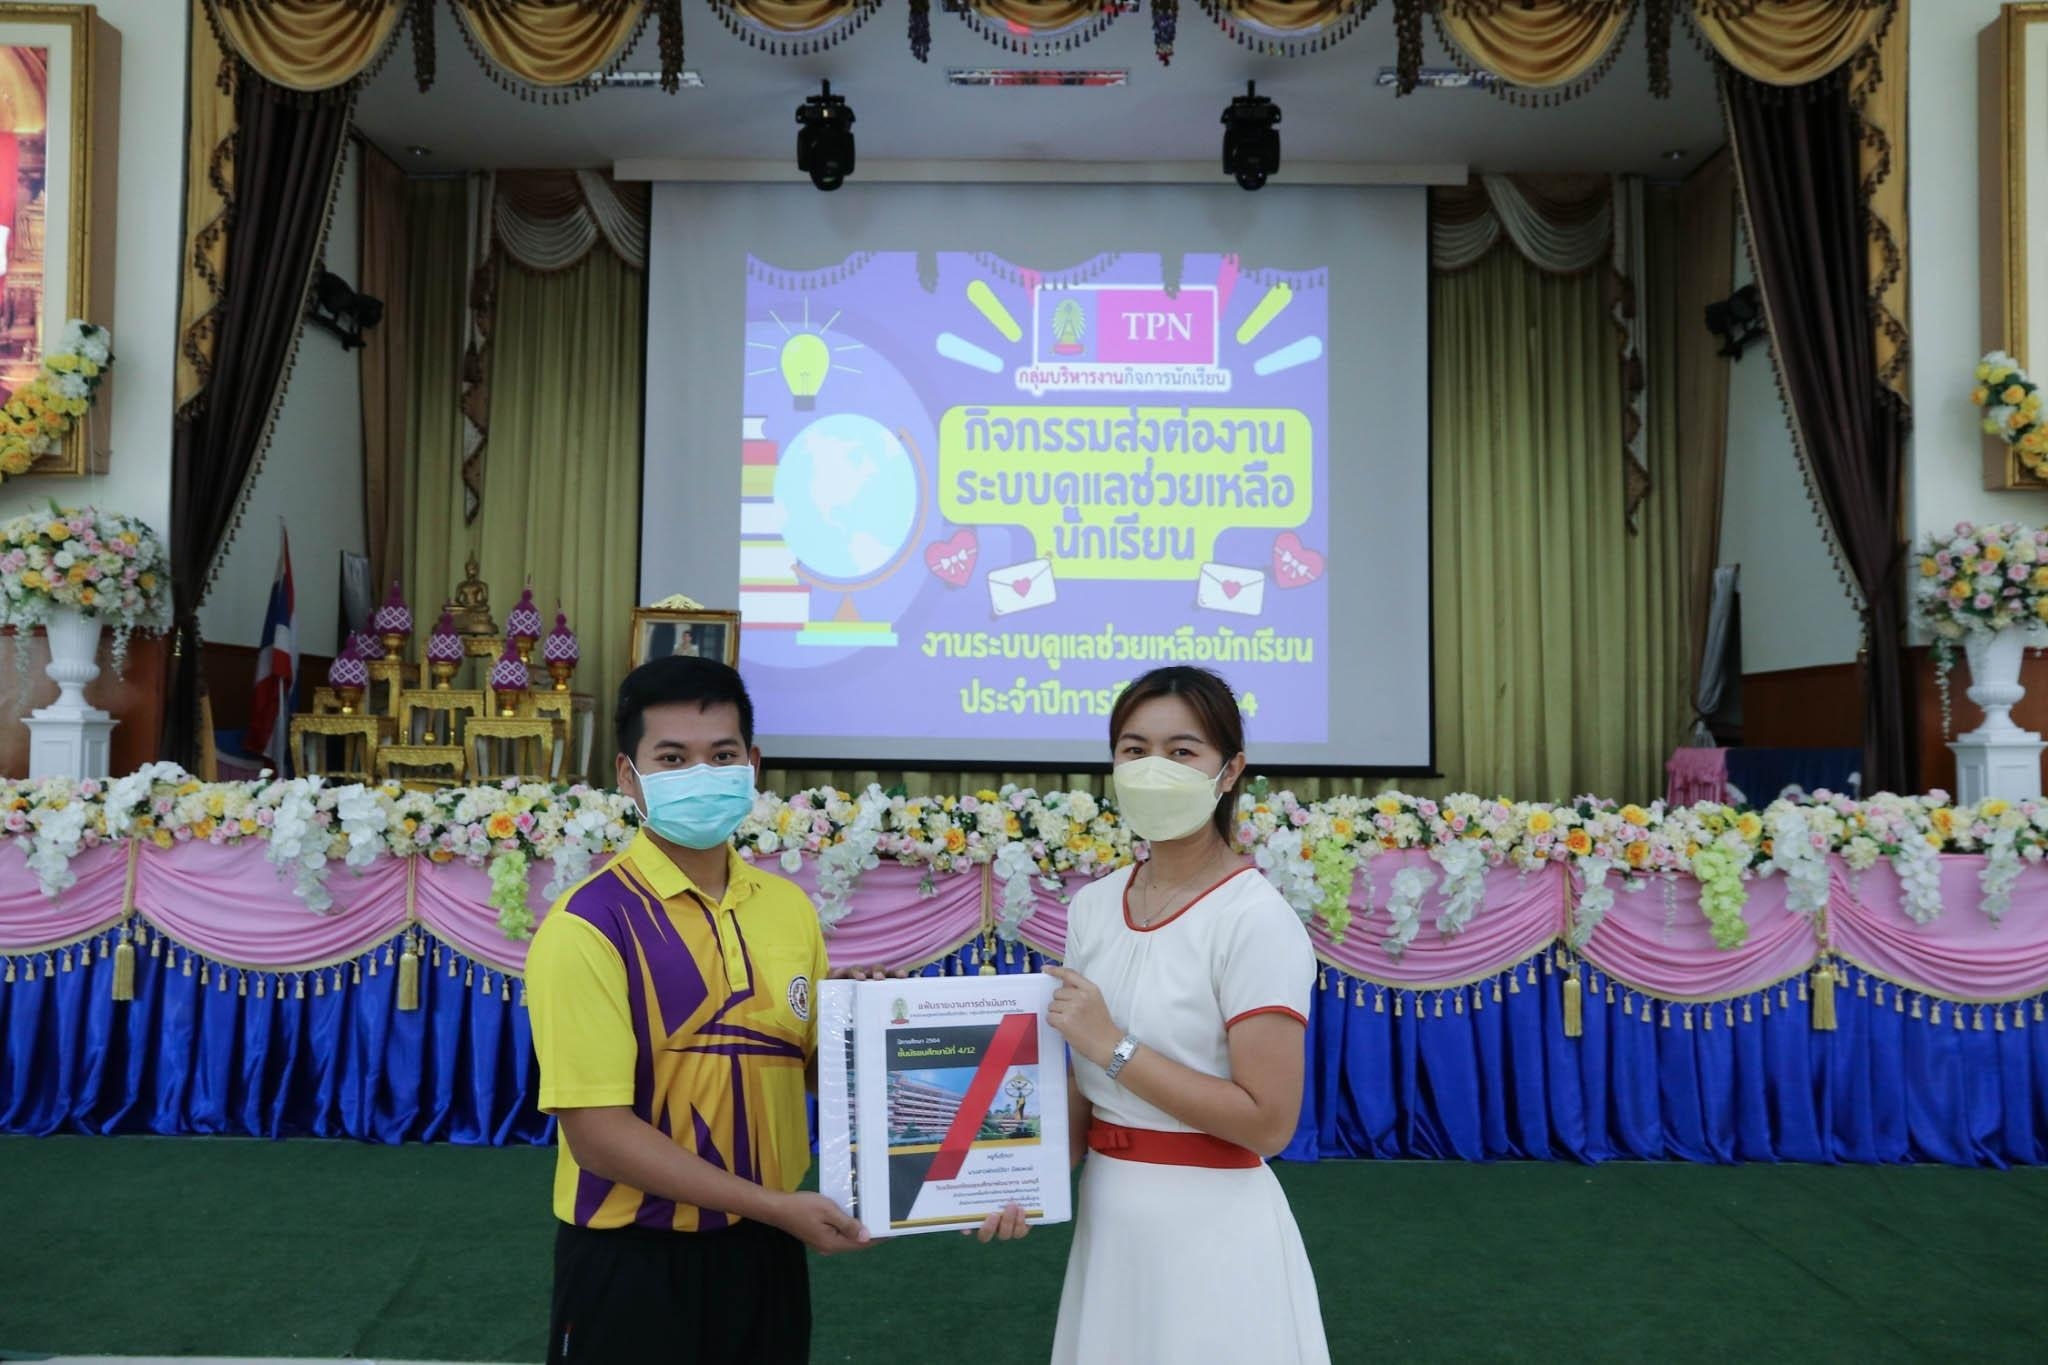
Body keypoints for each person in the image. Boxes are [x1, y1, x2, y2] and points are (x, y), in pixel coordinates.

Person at [525, 655, 872, 1364]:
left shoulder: (787, 908)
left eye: (722, 755)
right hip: (634, 1260)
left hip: (768, 1256)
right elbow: (598, 1136)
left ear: (753, 765)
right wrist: (774, 1205)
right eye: (673, 759)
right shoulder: (589, 924)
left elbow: (807, 1068)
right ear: (629, 776)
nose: (702, 775)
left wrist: (872, 1032)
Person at [980, 665, 1329, 1364]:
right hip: (1111, 1215)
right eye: (1134, 750)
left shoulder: (1255, 919)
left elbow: (1268, 1122)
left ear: (1230, 771)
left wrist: (1113, 1045)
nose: (1152, 768)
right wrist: (1008, 1179)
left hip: (1215, 1224)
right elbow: (1085, 1083)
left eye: (1181, 751)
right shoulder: (1094, 906)